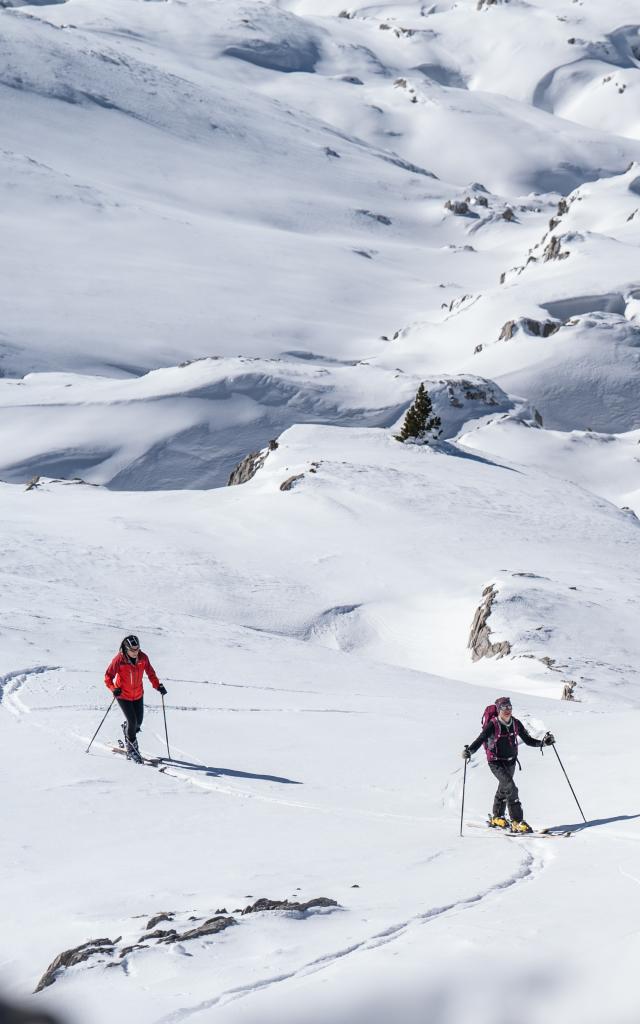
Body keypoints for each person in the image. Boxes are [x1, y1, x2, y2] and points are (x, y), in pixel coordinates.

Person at [462, 696, 554, 833]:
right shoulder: (493, 724)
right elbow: (481, 739)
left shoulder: (515, 723)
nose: (507, 710)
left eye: (509, 707)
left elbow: (528, 740)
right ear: (499, 709)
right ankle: (517, 821)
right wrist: (470, 750)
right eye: (504, 707)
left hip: (511, 761)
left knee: (504, 788)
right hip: (495, 762)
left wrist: (543, 743)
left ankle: (497, 817)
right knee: (511, 788)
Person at [104, 634, 166, 761]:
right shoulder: (119, 660)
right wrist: (113, 688)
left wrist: (157, 686)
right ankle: (132, 749)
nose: (136, 652)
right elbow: (108, 676)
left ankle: (127, 729)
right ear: (126, 649)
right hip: (123, 695)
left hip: (138, 694)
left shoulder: (143, 658)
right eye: (133, 650)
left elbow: (150, 673)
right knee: (132, 722)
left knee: (138, 723)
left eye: (137, 649)